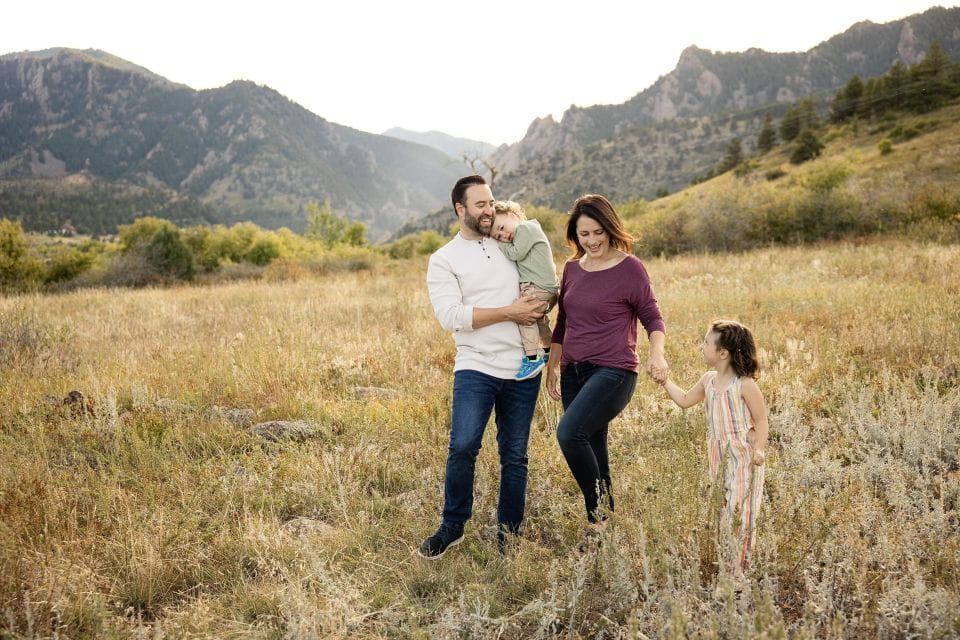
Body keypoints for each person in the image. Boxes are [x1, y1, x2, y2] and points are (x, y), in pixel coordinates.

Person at [419, 175, 547, 559]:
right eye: (480, 205)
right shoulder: (444, 259)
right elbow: (451, 316)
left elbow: (541, 278)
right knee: (462, 446)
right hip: (475, 366)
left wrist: (542, 307)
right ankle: (452, 526)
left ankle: (509, 535)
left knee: (515, 455)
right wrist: (510, 312)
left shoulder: (510, 242)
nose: (489, 210)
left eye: (491, 202)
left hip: (524, 368)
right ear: (460, 210)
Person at [545, 194, 668, 528]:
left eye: (597, 232)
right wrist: (553, 365)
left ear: (610, 227)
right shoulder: (572, 268)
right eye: (584, 235)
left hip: (614, 371)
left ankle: (596, 517)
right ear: (575, 236)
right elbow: (562, 322)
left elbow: (653, 318)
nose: (592, 240)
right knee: (594, 445)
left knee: (570, 434)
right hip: (573, 371)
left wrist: (657, 354)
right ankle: (605, 524)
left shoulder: (630, 267)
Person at [658, 320, 767, 576]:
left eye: (706, 342)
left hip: (743, 456)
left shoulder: (744, 385)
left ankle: (738, 574)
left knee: (739, 513)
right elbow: (685, 400)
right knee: (722, 510)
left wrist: (759, 449)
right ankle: (731, 563)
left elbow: (761, 420)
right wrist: (664, 382)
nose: (701, 346)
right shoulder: (708, 380)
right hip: (717, 455)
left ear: (723, 353)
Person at [489, 200, 559, 381]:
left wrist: (499, 245)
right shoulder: (528, 230)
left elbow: (516, 254)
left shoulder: (526, 229)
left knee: (525, 318)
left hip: (538, 286)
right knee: (540, 320)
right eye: (498, 236)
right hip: (546, 285)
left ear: (513, 215)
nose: (504, 235)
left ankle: (532, 358)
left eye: (502, 227)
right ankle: (550, 350)